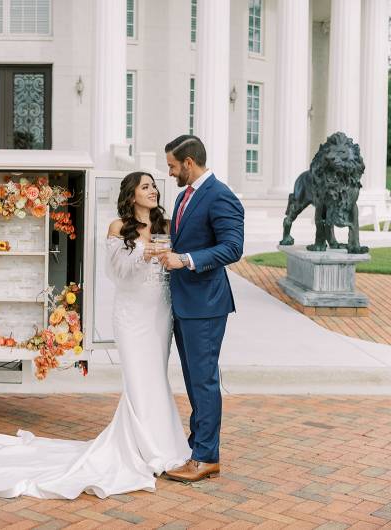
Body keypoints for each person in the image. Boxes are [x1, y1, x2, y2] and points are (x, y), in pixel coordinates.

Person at [0, 171, 191, 499]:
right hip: (132, 313)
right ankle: (148, 449)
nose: (153, 191)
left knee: (156, 378)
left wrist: (167, 257)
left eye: (154, 187)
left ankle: (161, 443)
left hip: (160, 311)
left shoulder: (166, 225)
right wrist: (145, 252)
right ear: (132, 194)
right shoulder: (118, 228)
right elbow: (117, 273)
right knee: (138, 379)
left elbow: (173, 263)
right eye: (146, 186)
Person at [158, 135, 244, 482]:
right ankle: (198, 446)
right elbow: (186, 239)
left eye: (173, 166)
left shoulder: (221, 195)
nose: (170, 172)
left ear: (189, 163)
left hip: (206, 305)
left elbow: (232, 248)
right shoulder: (183, 196)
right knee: (195, 380)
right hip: (184, 303)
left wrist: (186, 260)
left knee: (204, 381)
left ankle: (207, 457)